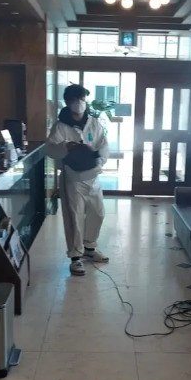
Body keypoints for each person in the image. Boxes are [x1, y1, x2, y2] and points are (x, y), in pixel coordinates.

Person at [46, 84, 110, 276]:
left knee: (98, 213)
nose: (79, 103)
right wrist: (66, 146)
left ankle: (90, 247)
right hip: (72, 178)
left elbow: (103, 146)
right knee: (74, 217)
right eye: (75, 100)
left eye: (82, 99)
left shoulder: (94, 123)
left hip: (93, 176)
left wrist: (98, 162)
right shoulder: (60, 126)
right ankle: (75, 257)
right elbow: (50, 149)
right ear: (67, 102)